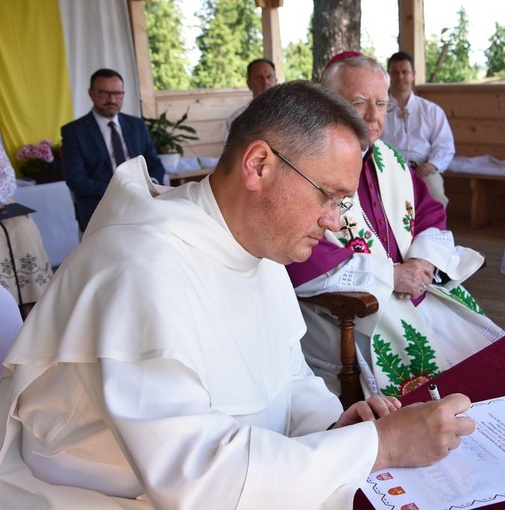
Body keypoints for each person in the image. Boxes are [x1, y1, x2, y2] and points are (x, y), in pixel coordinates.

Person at [0, 80, 475, 509]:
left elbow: (292, 378)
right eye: (327, 195)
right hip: (105, 494)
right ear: (259, 165)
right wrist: (382, 446)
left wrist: (334, 429)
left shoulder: (257, 244)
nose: (335, 221)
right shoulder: (138, 267)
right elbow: (196, 481)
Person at [287, 54, 505, 399]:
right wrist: (389, 276)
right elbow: (298, 253)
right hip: (354, 306)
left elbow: (430, 214)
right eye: (358, 103)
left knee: (489, 360)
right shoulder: (306, 164)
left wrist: (422, 262)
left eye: (381, 104)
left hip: (415, 289)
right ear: (327, 106)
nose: (373, 117)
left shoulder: (391, 160)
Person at [62, 68, 165, 232]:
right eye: (104, 93)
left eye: (118, 94)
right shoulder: (74, 131)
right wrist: (119, 190)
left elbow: (154, 163)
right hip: (100, 208)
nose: (112, 99)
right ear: (91, 93)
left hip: (142, 203)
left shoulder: (136, 125)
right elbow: (76, 179)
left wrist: (150, 186)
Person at [380, 51, 455, 207]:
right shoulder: (378, 109)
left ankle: (433, 231)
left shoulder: (431, 110)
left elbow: (445, 145)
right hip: (386, 166)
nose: (400, 76)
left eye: (405, 72)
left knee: (436, 196)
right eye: (395, 72)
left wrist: (433, 164)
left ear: (413, 74)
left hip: (422, 166)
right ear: (388, 75)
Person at [0, 143, 53, 318]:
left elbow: (7, 174)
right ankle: (9, 310)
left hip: (2, 202)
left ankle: (31, 302)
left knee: (23, 226)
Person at [224, 58, 278, 141]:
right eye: (259, 78)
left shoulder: (292, 113)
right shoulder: (237, 119)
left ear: (276, 81)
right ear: (249, 84)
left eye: (269, 77)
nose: (265, 82)